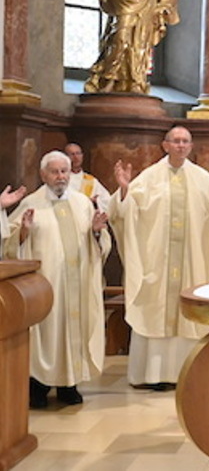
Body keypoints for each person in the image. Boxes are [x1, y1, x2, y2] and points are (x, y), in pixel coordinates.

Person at [109, 126, 209, 389]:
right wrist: (125, 190)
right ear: (165, 145)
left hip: (190, 262)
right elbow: (126, 212)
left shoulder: (201, 178)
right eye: (176, 141)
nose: (181, 145)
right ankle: (152, 375)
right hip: (157, 264)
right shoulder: (149, 178)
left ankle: (186, 373)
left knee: (187, 313)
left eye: (185, 141)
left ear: (191, 146)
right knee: (154, 308)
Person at [3, 151, 110, 408]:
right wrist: (23, 233)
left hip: (77, 283)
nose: (60, 176)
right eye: (54, 172)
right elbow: (9, 246)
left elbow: (99, 243)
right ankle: (38, 387)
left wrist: (97, 233)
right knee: (47, 333)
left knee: (73, 331)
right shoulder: (31, 203)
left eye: (64, 171)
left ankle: (68, 385)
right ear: (43, 175)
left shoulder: (83, 203)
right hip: (46, 286)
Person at [64, 142, 111, 212]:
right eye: (72, 154)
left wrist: (95, 202)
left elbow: (107, 201)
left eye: (78, 153)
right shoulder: (62, 179)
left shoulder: (90, 180)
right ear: (65, 157)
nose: (76, 157)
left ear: (82, 156)